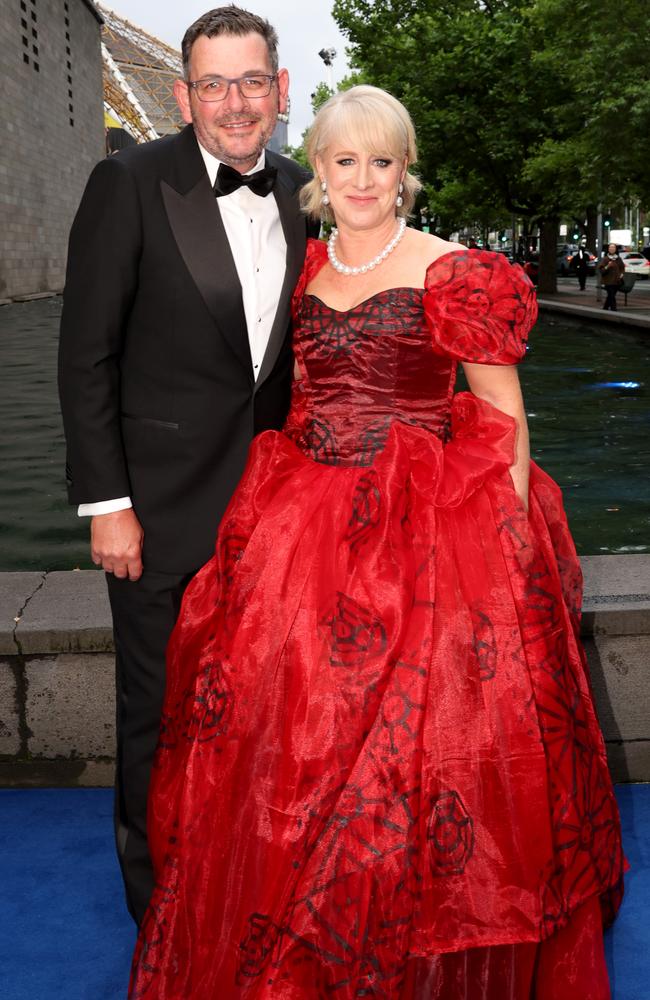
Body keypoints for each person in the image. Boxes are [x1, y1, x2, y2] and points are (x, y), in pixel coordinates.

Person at [130, 86, 624, 998]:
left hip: (430, 542)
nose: (363, 179)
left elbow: (505, 423)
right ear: (317, 168)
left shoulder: (458, 271)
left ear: (405, 172)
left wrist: (508, 555)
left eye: (382, 161)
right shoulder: (304, 266)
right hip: (301, 540)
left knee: (422, 765)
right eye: (344, 160)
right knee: (290, 750)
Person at [58, 6, 317, 927]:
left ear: (281, 91)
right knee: (157, 721)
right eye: (214, 83)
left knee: (264, 722)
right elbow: (86, 356)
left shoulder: (306, 189)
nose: (235, 102)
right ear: (184, 94)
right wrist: (108, 504)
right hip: (159, 514)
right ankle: (160, 916)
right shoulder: (126, 181)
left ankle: (246, 898)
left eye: (253, 81)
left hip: (279, 523)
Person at [598, 243, 625, 310]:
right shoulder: (605, 259)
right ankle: (614, 309)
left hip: (617, 281)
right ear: (608, 249)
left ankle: (605, 308)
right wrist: (607, 266)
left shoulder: (618, 258)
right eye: (610, 247)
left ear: (615, 249)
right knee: (612, 295)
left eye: (613, 248)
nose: (612, 249)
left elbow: (622, 267)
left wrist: (622, 274)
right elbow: (601, 271)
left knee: (610, 295)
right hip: (608, 281)